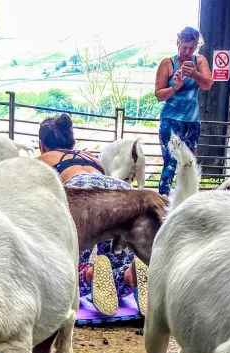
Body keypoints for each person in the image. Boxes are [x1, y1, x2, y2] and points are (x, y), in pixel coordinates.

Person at [37, 113, 147, 322]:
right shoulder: (91, 158)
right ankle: (129, 276)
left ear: (42, 145)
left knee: (65, 276)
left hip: (80, 194)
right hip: (121, 192)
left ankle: (89, 274)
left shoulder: (43, 160)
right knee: (115, 259)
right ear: (74, 142)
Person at [155, 27, 213, 197]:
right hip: (170, 121)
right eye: (184, 47)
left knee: (188, 163)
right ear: (178, 43)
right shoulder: (168, 63)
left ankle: (185, 200)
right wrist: (175, 86)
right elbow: (159, 95)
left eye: (191, 48)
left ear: (196, 46)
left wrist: (194, 73)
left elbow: (208, 84)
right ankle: (162, 202)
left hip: (192, 122)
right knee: (171, 163)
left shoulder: (200, 60)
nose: (187, 51)